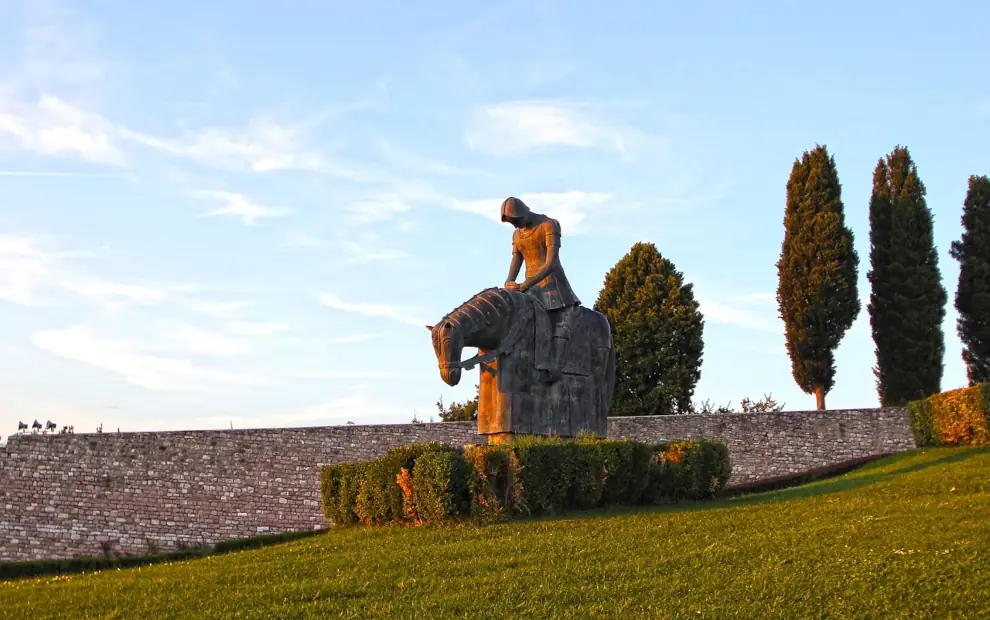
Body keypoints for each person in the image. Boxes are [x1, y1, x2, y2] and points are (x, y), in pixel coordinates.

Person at [501, 196, 581, 382]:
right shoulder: (518, 234)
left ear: (523, 212)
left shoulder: (549, 225)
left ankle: (556, 365)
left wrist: (525, 285)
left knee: (562, 320)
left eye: (516, 221)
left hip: (553, 285)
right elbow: (516, 261)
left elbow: (551, 263)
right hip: (528, 288)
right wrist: (509, 281)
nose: (515, 226)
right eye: (512, 223)